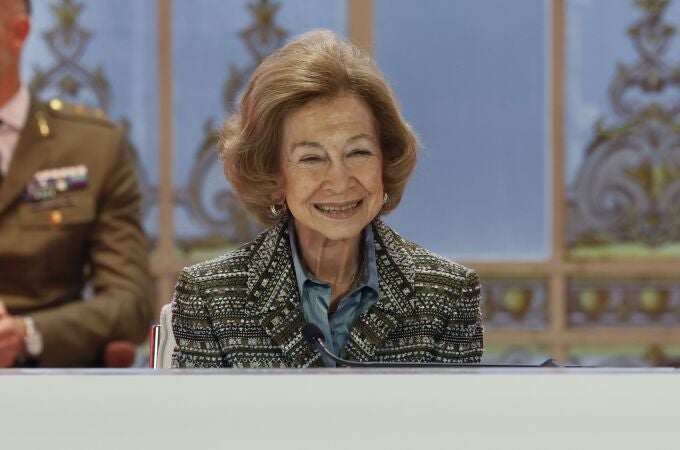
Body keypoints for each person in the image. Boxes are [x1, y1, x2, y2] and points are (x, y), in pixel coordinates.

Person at [172, 30, 483, 368]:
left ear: (385, 160)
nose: (339, 180)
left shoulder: (446, 294)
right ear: (274, 176)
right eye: (311, 158)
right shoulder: (210, 296)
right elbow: (196, 422)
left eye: (359, 152)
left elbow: (457, 421)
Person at [0, 0, 151, 367]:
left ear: (18, 33)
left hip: (45, 376)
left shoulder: (91, 147)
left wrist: (27, 333)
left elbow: (129, 303)